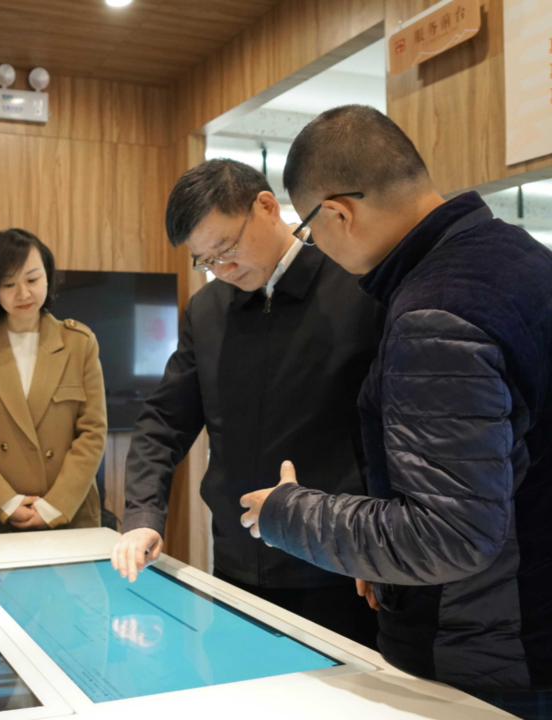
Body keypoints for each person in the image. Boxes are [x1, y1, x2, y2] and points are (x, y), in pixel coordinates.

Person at [238, 105, 552, 717]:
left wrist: (287, 512)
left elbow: (449, 534)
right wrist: (374, 550)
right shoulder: (518, 255)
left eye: (310, 231)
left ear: (338, 214)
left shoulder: (436, 312)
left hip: (492, 650)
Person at [110, 159, 384, 649]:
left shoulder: (356, 286)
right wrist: (142, 517)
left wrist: (380, 544)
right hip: (237, 564)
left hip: (338, 565)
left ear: (266, 206)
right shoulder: (208, 310)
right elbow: (164, 421)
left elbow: (391, 432)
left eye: (228, 248)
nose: (223, 270)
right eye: (206, 260)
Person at [0, 229, 107, 535]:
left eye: (32, 279)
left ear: (48, 277)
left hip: (67, 513)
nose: (23, 294)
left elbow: (92, 432)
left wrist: (53, 507)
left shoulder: (79, 342)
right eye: (9, 284)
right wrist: (5, 503)